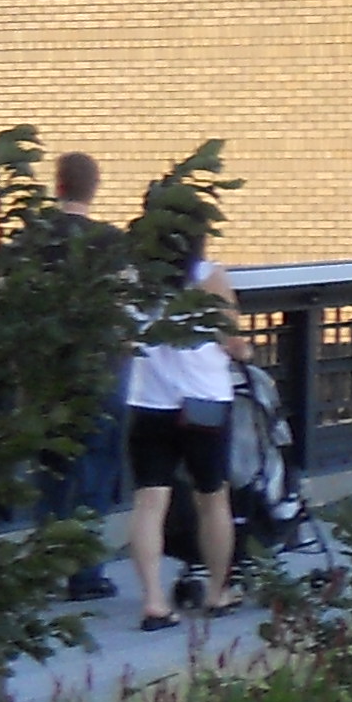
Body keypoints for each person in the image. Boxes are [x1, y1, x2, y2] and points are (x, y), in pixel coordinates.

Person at [0, 149, 129, 597]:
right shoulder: (112, 243)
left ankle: (43, 566)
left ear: (57, 186)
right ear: (95, 188)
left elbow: (6, 288)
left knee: (49, 468)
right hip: (102, 369)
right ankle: (85, 573)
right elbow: (129, 301)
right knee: (95, 468)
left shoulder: (28, 240)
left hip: (44, 371)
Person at [123, 221, 242, 632]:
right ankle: (217, 593)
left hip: (150, 400)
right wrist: (243, 352)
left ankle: (153, 602)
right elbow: (232, 340)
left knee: (149, 503)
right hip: (204, 400)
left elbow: (124, 336)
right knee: (212, 499)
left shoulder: (134, 279)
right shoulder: (210, 277)